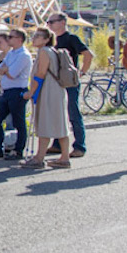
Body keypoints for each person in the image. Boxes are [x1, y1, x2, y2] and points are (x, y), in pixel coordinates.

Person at [21, 27, 71, 169]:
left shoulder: (44, 52)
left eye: (37, 36)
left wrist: (31, 92)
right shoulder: (52, 51)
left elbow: (40, 74)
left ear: (46, 39)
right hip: (57, 90)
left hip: (48, 90)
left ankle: (39, 158)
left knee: (45, 121)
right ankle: (64, 157)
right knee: (60, 122)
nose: (34, 38)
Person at [48, 12, 92, 158]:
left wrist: (81, 73)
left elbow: (88, 54)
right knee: (57, 112)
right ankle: (57, 144)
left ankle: (80, 146)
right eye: (48, 22)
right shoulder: (51, 40)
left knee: (73, 112)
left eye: (52, 22)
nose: (49, 25)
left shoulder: (72, 38)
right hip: (56, 81)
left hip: (69, 81)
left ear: (62, 22)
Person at [0, 29, 33, 160]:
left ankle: (18, 150)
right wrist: (5, 70)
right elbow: (0, 69)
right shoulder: (11, 53)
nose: (9, 39)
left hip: (17, 91)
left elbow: (12, 73)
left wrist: (6, 70)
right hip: (6, 91)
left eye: (11, 37)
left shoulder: (24, 55)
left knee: (18, 122)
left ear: (19, 39)